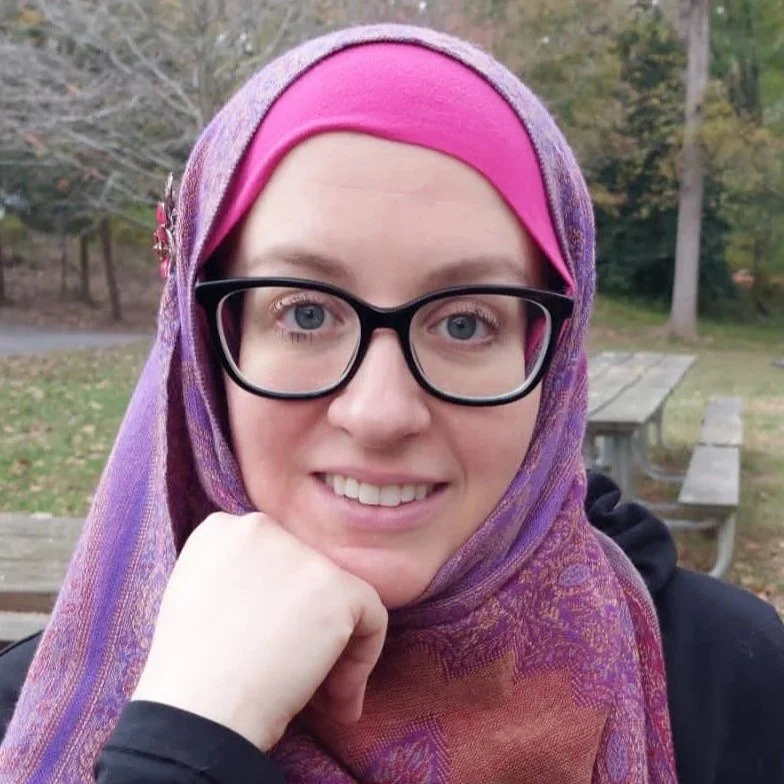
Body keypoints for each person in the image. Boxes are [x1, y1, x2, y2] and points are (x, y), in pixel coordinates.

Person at [0, 24, 782, 784]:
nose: (379, 414)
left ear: (553, 359)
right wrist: (186, 734)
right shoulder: (29, 711)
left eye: (466, 322)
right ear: (207, 347)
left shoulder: (725, 681)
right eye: (306, 313)